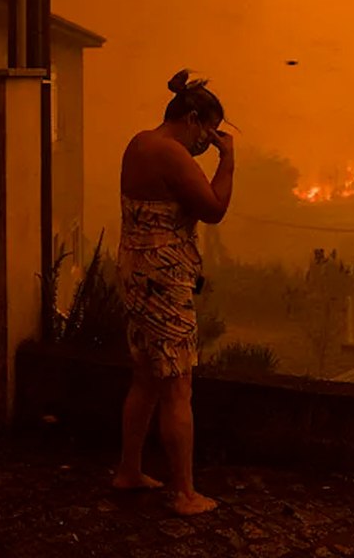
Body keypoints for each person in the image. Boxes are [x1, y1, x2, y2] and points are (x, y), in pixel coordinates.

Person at [113, 69, 235, 516]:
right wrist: (228, 162)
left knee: (145, 375)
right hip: (164, 277)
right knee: (178, 385)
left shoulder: (138, 143)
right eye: (210, 130)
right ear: (192, 118)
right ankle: (184, 493)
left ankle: (129, 469)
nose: (209, 140)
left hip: (135, 270)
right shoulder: (172, 154)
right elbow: (214, 209)